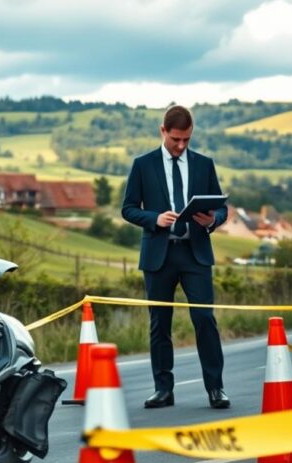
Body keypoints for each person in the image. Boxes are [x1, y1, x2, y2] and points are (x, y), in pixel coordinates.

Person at [121, 105, 229, 409]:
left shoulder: (204, 164)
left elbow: (221, 207)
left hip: (195, 254)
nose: (181, 146)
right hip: (159, 255)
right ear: (163, 131)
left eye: (186, 140)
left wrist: (214, 220)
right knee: (159, 324)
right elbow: (128, 208)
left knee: (205, 319)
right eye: (175, 140)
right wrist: (154, 218)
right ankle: (163, 389)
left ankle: (216, 388)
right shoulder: (143, 165)